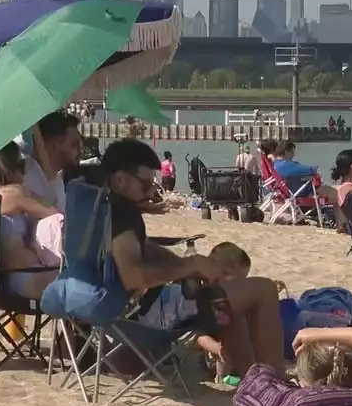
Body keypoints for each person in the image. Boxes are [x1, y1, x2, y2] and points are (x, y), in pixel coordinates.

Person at [103, 139, 287, 376]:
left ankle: (255, 381)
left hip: (132, 311)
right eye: (146, 184)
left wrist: (187, 267)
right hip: (150, 315)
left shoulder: (101, 206)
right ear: (121, 179)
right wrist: (190, 264)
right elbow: (133, 277)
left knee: (234, 303)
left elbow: (144, 248)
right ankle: (276, 386)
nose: (150, 192)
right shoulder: (123, 217)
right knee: (264, 289)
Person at [137, 241, 252, 381]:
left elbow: (198, 330)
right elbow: (200, 332)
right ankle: (230, 369)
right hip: (154, 328)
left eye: (241, 282)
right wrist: (217, 347)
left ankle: (226, 367)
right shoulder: (201, 292)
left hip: (138, 322)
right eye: (230, 276)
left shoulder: (194, 285)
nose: (235, 286)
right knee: (230, 317)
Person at [0, 142, 60, 299]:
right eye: (21, 165)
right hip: (30, 278)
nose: (25, 173)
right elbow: (56, 214)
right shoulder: (13, 193)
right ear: (6, 168)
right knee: (93, 282)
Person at [23, 110, 83, 212]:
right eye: (74, 144)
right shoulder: (26, 178)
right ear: (56, 145)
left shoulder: (56, 179)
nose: (80, 150)